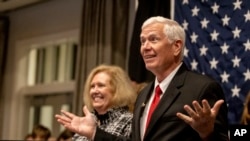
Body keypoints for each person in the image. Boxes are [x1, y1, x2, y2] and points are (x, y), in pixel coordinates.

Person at [55, 16, 229, 140]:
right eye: (142, 41)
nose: (145, 47)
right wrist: (94, 133)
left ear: (176, 46)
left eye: (153, 39)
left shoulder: (202, 88)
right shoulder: (144, 95)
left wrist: (208, 133)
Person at [57, 64, 137, 141]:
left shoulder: (129, 121)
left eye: (101, 85)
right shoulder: (85, 123)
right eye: (92, 86)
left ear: (117, 90)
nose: (94, 91)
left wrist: (95, 134)